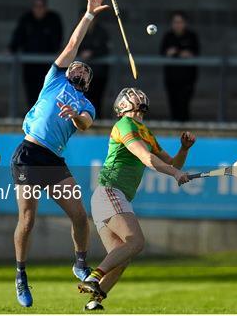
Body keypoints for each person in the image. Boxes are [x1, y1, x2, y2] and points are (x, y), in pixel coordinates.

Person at [11, 0, 109, 308]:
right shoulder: (54, 79)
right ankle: (21, 275)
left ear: (87, 81)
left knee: (80, 217)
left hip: (53, 160)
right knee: (28, 219)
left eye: (83, 69)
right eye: (75, 65)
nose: (78, 67)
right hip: (28, 153)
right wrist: (89, 14)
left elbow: (85, 124)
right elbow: (72, 44)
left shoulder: (86, 104)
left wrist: (75, 115)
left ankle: (80, 264)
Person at [77, 87, 194, 311]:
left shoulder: (144, 130)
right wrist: (175, 174)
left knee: (122, 255)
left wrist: (184, 149)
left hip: (112, 196)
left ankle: (94, 301)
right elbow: (146, 157)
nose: (136, 95)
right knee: (136, 242)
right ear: (121, 106)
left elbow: (173, 164)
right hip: (110, 191)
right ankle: (93, 277)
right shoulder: (124, 125)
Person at [8, 0, 63, 107]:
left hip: (48, 64)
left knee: (47, 91)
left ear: (45, 8)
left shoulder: (53, 19)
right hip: (30, 64)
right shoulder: (26, 19)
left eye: (41, 7)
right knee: (31, 92)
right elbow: (18, 36)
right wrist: (11, 49)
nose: (38, 9)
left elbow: (57, 39)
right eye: (36, 7)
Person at [160, 11, 200, 122]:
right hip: (171, 77)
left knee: (184, 103)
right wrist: (170, 53)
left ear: (185, 23)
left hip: (188, 78)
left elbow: (195, 53)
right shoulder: (168, 36)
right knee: (173, 103)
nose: (178, 25)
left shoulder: (191, 36)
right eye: (175, 22)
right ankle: (174, 128)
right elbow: (162, 53)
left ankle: (185, 129)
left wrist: (185, 54)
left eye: (180, 22)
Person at [78, 17, 110, 118]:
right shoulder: (78, 30)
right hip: (82, 75)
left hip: (98, 73)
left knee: (97, 98)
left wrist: (92, 53)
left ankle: (97, 119)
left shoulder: (101, 32)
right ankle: (84, 120)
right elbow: (73, 46)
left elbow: (105, 49)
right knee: (83, 98)